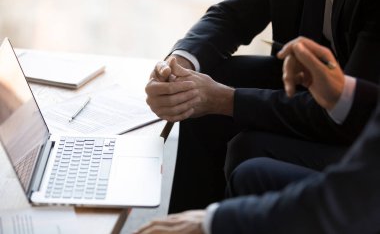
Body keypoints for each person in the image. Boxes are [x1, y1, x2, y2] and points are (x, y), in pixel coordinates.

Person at [145, 0, 380, 212]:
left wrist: (226, 100)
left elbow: (355, 112)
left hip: (360, 124)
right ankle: (182, 226)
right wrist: (178, 63)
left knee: (247, 148)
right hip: (303, 82)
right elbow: (234, 15)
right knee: (198, 88)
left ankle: (215, 225)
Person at [135, 38, 380, 234]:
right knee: (199, 90)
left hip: (355, 147)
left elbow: (356, 194)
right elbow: (237, 10)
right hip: (356, 106)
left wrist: (213, 222)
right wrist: (342, 94)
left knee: (252, 166)